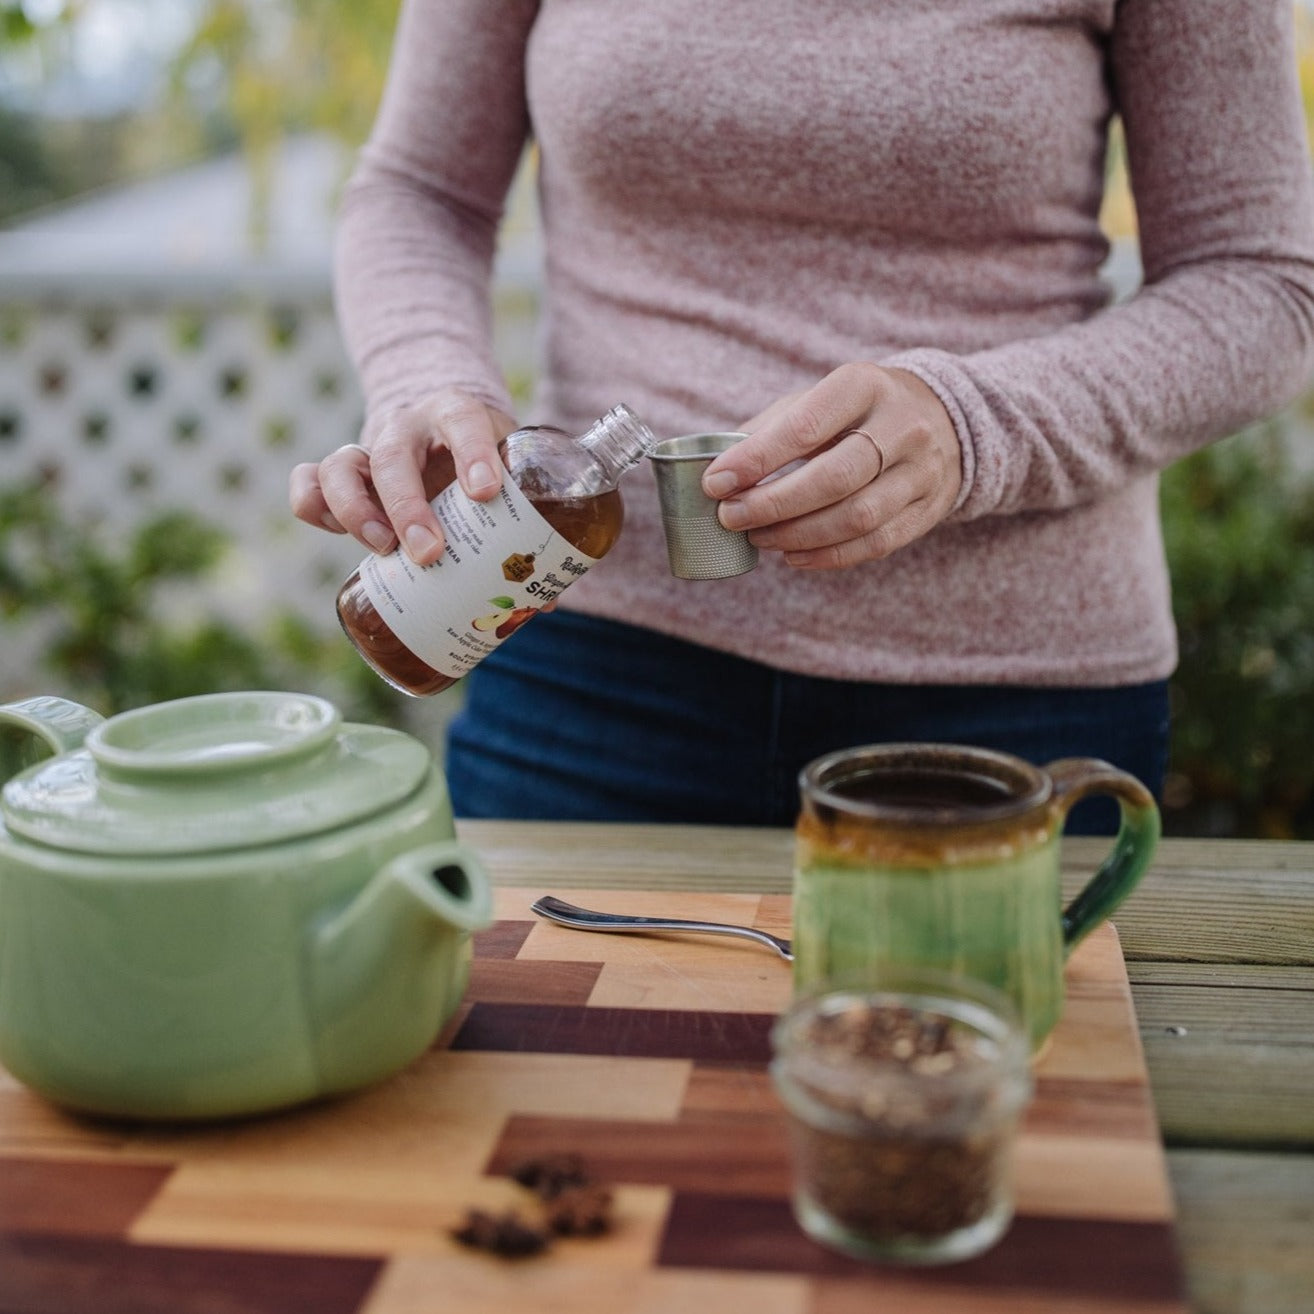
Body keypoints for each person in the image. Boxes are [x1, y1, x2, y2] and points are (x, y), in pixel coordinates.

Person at [290, 0, 1314, 833]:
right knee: (540, 1068)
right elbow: (420, 189)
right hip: (596, 684)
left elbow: (1262, 283)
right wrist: (428, 375)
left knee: (993, 1080)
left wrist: (971, 426)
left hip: (1009, 699)